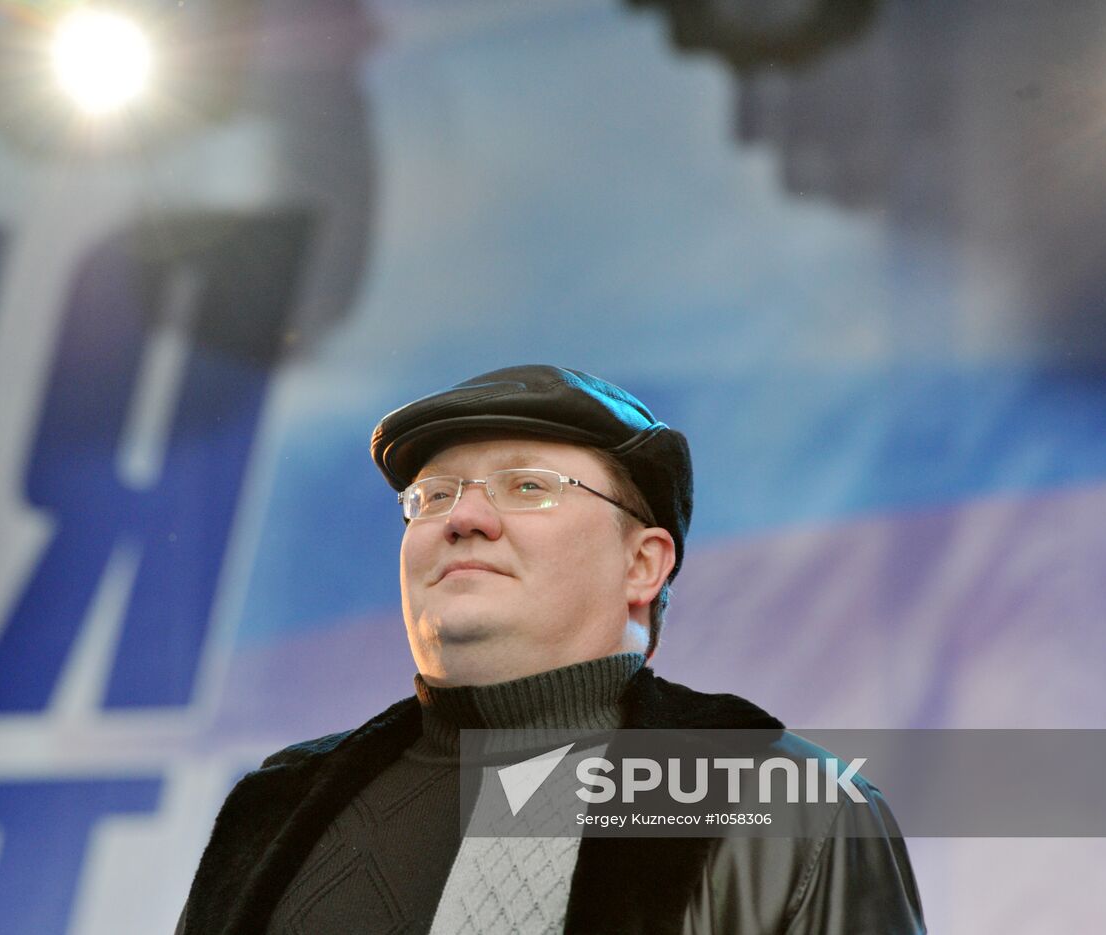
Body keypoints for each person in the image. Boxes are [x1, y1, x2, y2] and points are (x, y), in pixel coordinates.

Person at [177, 364, 924, 934]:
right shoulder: (273, 808)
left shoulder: (791, 807)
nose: (463, 515)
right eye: (433, 494)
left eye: (527, 485)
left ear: (643, 564)